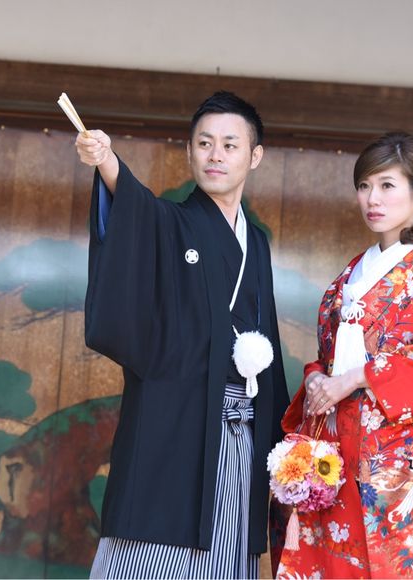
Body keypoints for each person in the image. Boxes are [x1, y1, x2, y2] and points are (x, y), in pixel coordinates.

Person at [75, 91, 290, 579]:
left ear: (254, 156)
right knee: (153, 548)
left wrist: (281, 440)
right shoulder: (170, 222)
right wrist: (107, 161)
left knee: (227, 551)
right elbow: (137, 209)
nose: (216, 155)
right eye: (204, 143)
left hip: (240, 431)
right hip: (174, 422)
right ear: (189, 151)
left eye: (230, 145)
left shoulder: (256, 243)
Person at [270, 132, 413, 579]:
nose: (372, 198)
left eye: (386, 185)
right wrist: (318, 378)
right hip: (339, 449)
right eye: (364, 186)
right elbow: (329, 357)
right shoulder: (354, 270)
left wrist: (358, 377)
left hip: (398, 461)